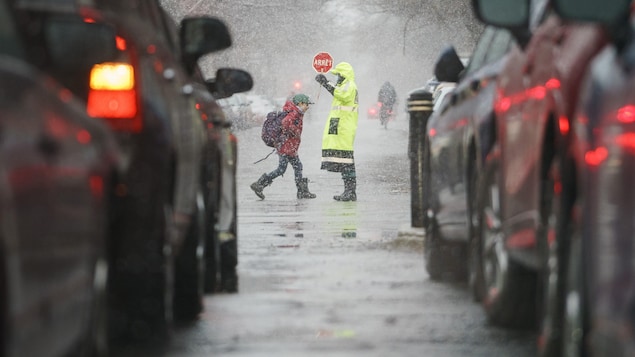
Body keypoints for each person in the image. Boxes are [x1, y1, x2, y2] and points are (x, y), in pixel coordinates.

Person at [250, 93, 317, 200]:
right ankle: (260, 184)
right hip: (286, 147)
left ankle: (301, 191)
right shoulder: (294, 113)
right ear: (300, 103)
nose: (308, 107)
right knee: (284, 169)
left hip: (288, 147)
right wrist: (294, 132)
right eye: (306, 104)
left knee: (295, 167)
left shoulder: (296, 113)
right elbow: (285, 123)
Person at [315, 62, 359, 201]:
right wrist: (326, 83)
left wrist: (326, 83)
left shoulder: (349, 86)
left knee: (346, 159)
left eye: (339, 75)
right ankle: (348, 191)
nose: (338, 77)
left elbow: (341, 95)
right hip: (340, 126)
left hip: (344, 127)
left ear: (344, 75)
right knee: (343, 159)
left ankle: (350, 191)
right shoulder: (344, 85)